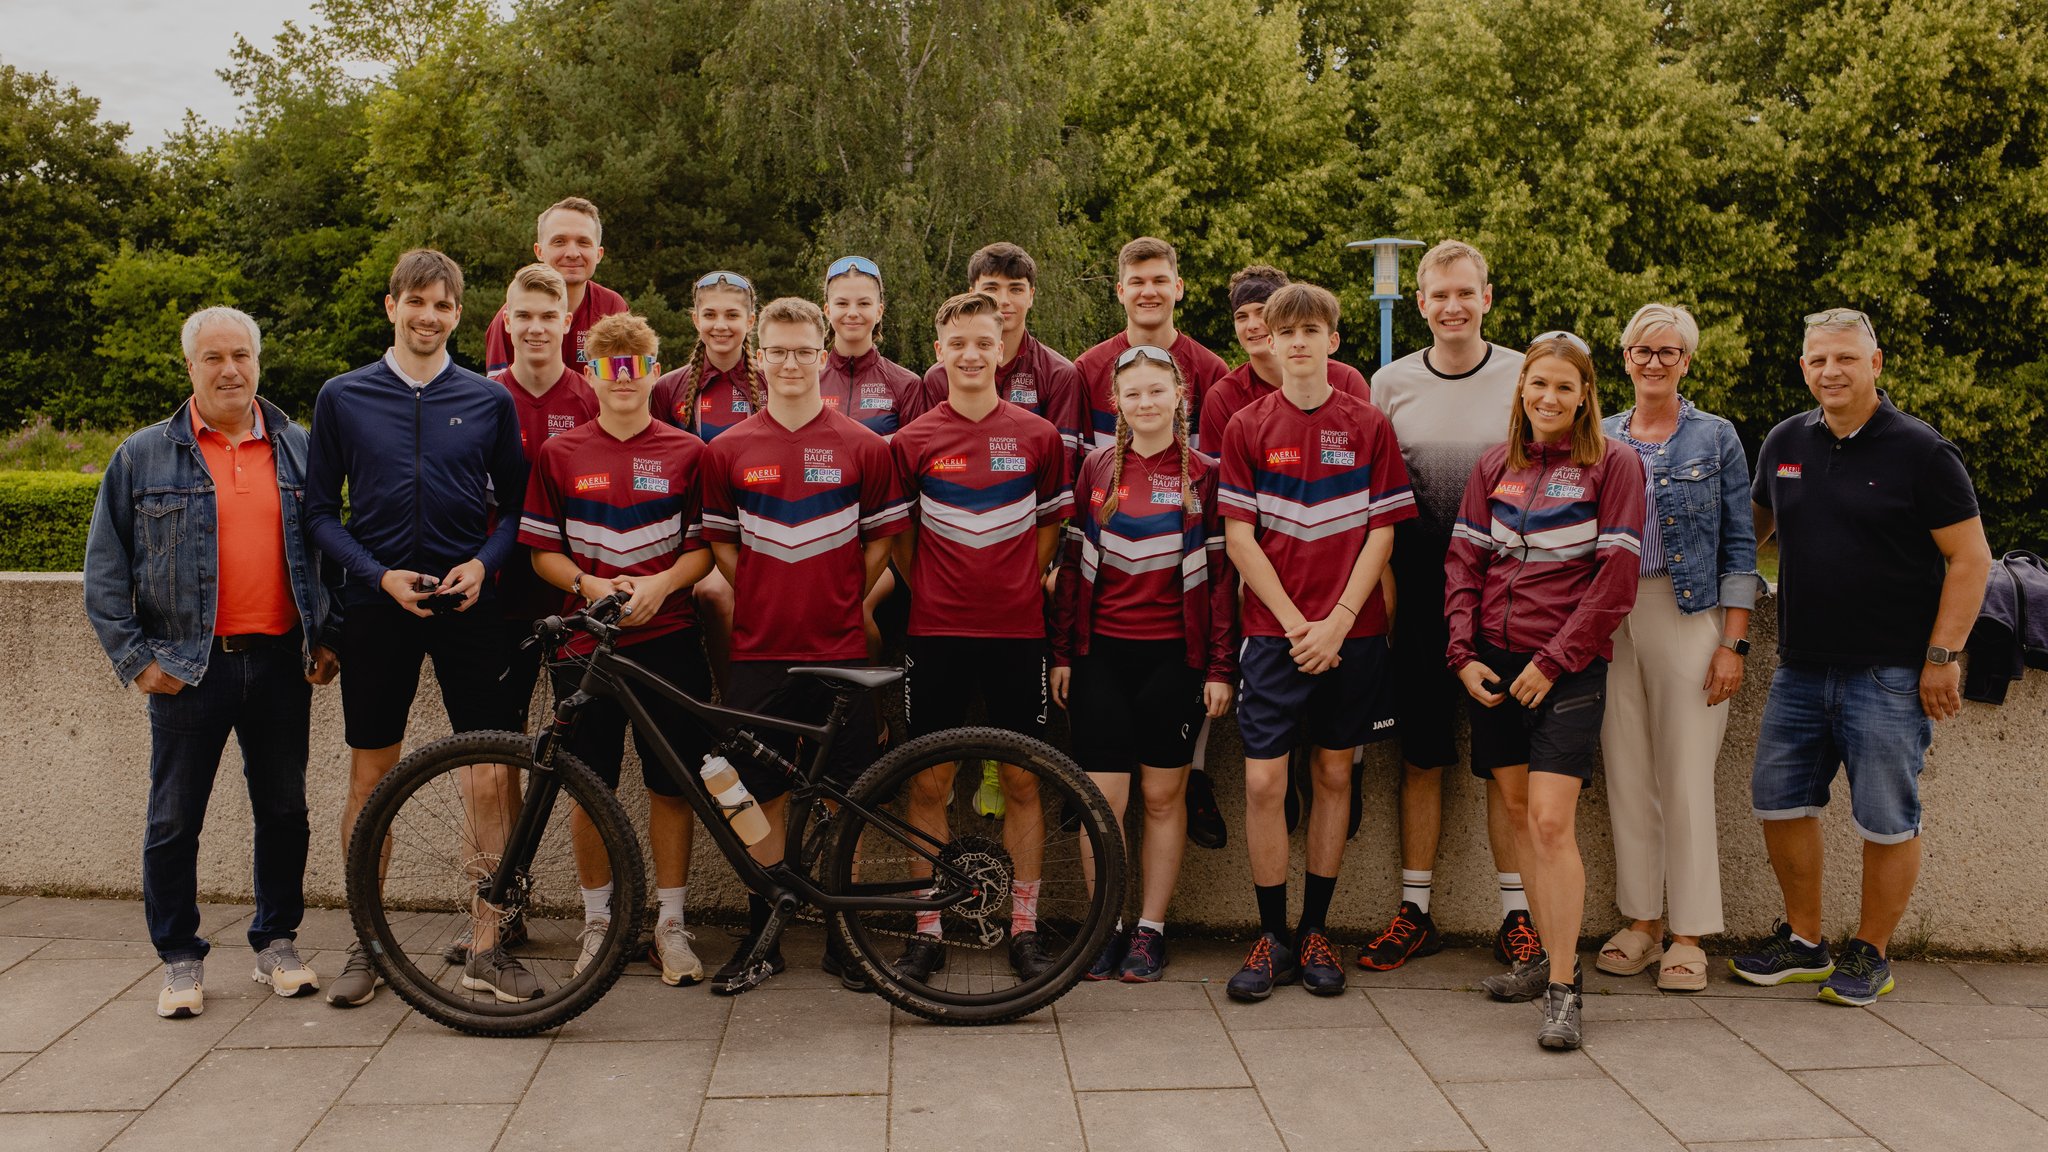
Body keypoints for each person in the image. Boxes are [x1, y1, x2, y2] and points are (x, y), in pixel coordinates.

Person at [84, 307, 340, 1019]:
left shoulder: (300, 449)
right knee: (173, 819)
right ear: (190, 367)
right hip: (190, 669)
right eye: (213, 358)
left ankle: (276, 943)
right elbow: (104, 572)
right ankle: (179, 959)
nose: (230, 369)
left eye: (242, 356)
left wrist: (329, 636)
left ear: (258, 363)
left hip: (284, 664)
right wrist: (136, 660)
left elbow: (331, 556)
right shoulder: (142, 456)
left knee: (285, 810)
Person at [1734, 308, 1990, 1006]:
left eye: (1845, 358)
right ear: (1803, 367)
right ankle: (1806, 941)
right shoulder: (1785, 441)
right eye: (1818, 360)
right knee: (1779, 802)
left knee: (1886, 817)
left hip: (1892, 673)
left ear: (1876, 364)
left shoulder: (1921, 451)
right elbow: (1747, 536)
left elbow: (1970, 559)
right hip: (1800, 666)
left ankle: (1871, 951)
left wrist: (1942, 655)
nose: (1831, 371)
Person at [305, 249, 533, 1008]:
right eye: (416, 302)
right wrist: (376, 577)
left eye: (442, 305)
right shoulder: (343, 396)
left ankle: (487, 944)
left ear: (460, 314)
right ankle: (367, 946)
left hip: (470, 609)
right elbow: (317, 514)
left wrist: (483, 564)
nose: (428, 316)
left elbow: (518, 511)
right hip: (378, 607)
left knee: (490, 774)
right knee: (371, 775)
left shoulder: (487, 399)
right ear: (391, 306)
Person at [699, 296, 910, 994]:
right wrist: (760, 589)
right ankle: (763, 931)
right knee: (751, 795)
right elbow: (721, 543)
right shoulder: (726, 449)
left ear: (823, 359)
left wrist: (845, 594)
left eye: (803, 351)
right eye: (778, 351)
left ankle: (845, 938)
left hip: (842, 648)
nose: (791, 363)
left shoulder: (864, 446)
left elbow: (884, 538)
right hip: (758, 651)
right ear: (759, 358)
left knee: (844, 797)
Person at [1446, 332, 1645, 1051]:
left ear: (1586, 394)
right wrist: (1462, 654)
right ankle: (1539, 960)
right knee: (1516, 808)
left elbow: (1614, 584)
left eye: (1565, 387)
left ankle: (1564, 987)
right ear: (1522, 391)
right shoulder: (1496, 464)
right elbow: (1464, 562)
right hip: (1492, 665)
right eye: (1538, 386)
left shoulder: (1613, 465)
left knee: (1553, 824)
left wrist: (1555, 662)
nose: (1549, 399)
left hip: (1565, 669)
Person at [1217, 283, 1414, 1003]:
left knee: (1334, 777)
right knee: (1267, 782)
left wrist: (1337, 622)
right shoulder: (1244, 425)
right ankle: (1271, 936)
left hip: (1352, 635)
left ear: (1333, 341)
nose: (1297, 341)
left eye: (1311, 329)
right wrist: (1299, 624)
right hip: (1274, 636)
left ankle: (1316, 929)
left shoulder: (1366, 424)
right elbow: (1239, 540)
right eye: (1284, 330)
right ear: (1266, 339)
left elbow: (1381, 533)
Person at [518, 313, 712, 986]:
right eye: (609, 367)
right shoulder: (561, 453)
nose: (623, 378)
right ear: (591, 375)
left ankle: (671, 926)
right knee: (586, 789)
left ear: (656, 371)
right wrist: (591, 584)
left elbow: (705, 547)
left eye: (637, 365)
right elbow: (542, 552)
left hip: (670, 640)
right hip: (583, 645)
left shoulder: (690, 452)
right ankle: (598, 923)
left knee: (672, 788)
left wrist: (663, 584)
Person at [1358, 239, 1534, 974]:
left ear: (1487, 298)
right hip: (1423, 590)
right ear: (1421, 303)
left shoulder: (1527, 375)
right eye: (1440, 295)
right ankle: (1416, 910)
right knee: (1423, 757)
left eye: (1467, 293)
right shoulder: (1389, 383)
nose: (1454, 306)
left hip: (1508, 592)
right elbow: (1374, 500)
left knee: (1507, 766)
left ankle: (1517, 916)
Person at [890, 291, 1073, 984]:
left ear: (1003, 349)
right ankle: (927, 932)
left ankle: (1024, 929)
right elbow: (899, 538)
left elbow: (1048, 530)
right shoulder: (910, 441)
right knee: (929, 781)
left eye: (983, 342)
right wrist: (935, 586)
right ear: (938, 351)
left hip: (1016, 633)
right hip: (933, 631)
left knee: (1025, 781)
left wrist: (1012, 586)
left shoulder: (1037, 436)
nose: (970, 354)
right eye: (957, 342)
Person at [1049, 345, 1237, 981]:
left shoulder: (1205, 474)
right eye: (1133, 394)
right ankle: (1107, 924)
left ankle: (1150, 930)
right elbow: (1072, 569)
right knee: (1101, 803)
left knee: (1162, 797)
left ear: (1180, 396)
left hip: (1174, 661)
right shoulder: (1098, 466)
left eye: (1158, 391)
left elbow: (1220, 581)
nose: (1146, 403)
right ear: (1117, 403)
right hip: (1100, 656)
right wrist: (1064, 655)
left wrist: (1218, 668)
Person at [1594, 304, 1764, 992]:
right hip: (1609, 615)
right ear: (1626, 357)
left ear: (1687, 361)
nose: (1654, 362)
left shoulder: (1715, 436)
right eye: (1642, 350)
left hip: (1686, 611)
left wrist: (1734, 642)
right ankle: (1641, 922)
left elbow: (1742, 545)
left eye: (1668, 352)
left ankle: (1689, 934)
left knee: (1686, 778)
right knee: (1627, 772)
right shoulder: (1600, 435)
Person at [492, 264, 599, 730]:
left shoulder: (592, 399)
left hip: (575, 600)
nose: (536, 328)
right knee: (498, 740)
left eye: (549, 316)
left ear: (568, 322)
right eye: (525, 316)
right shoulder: (480, 398)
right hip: (498, 595)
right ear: (507, 320)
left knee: (581, 744)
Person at [653, 270, 764, 687]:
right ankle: (735, 705)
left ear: (751, 321)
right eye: (711, 314)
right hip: (700, 527)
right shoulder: (668, 388)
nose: (721, 324)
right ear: (695, 318)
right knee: (714, 594)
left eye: (732, 315)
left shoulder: (772, 382)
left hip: (764, 521)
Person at [818, 255, 925, 661]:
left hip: (883, 537)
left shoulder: (905, 383)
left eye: (864, 303)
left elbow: (913, 473)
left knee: (852, 610)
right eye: (842, 303)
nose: (852, 313)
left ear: (880, 309)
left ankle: (874, 722)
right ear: (826, 308)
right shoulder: (804, 377)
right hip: (816, 526)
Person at [915, 242, 1084, 461]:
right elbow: (932, 455)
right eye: (991, 288)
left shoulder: (1059, 374)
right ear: (972, 293)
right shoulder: (939, 377)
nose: (1003, 301)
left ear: (1031, 295)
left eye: (1015, 289)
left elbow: (1062, 464)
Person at [1074, 237, 1230, 452]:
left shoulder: (1211, 371)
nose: (1148, 292)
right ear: (1121, 291)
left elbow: (1215, 468)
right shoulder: (1087, 369)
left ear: (1178, 288)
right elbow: (1082, 467)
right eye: (1137, 282)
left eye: (1159, 281)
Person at [1204, 264, 1372, 439]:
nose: (1252, 325)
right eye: (1241, 317)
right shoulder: (1223, 397)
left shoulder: (1346, 380)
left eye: (1261, 312)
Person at [482, 196, 629, 374]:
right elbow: (499, 396)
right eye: (559, 241)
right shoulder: (513, 318)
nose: (573, 253)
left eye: (583, 242)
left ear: (598, 254)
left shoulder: (612, 308)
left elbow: (625, 385)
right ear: (539, 251)